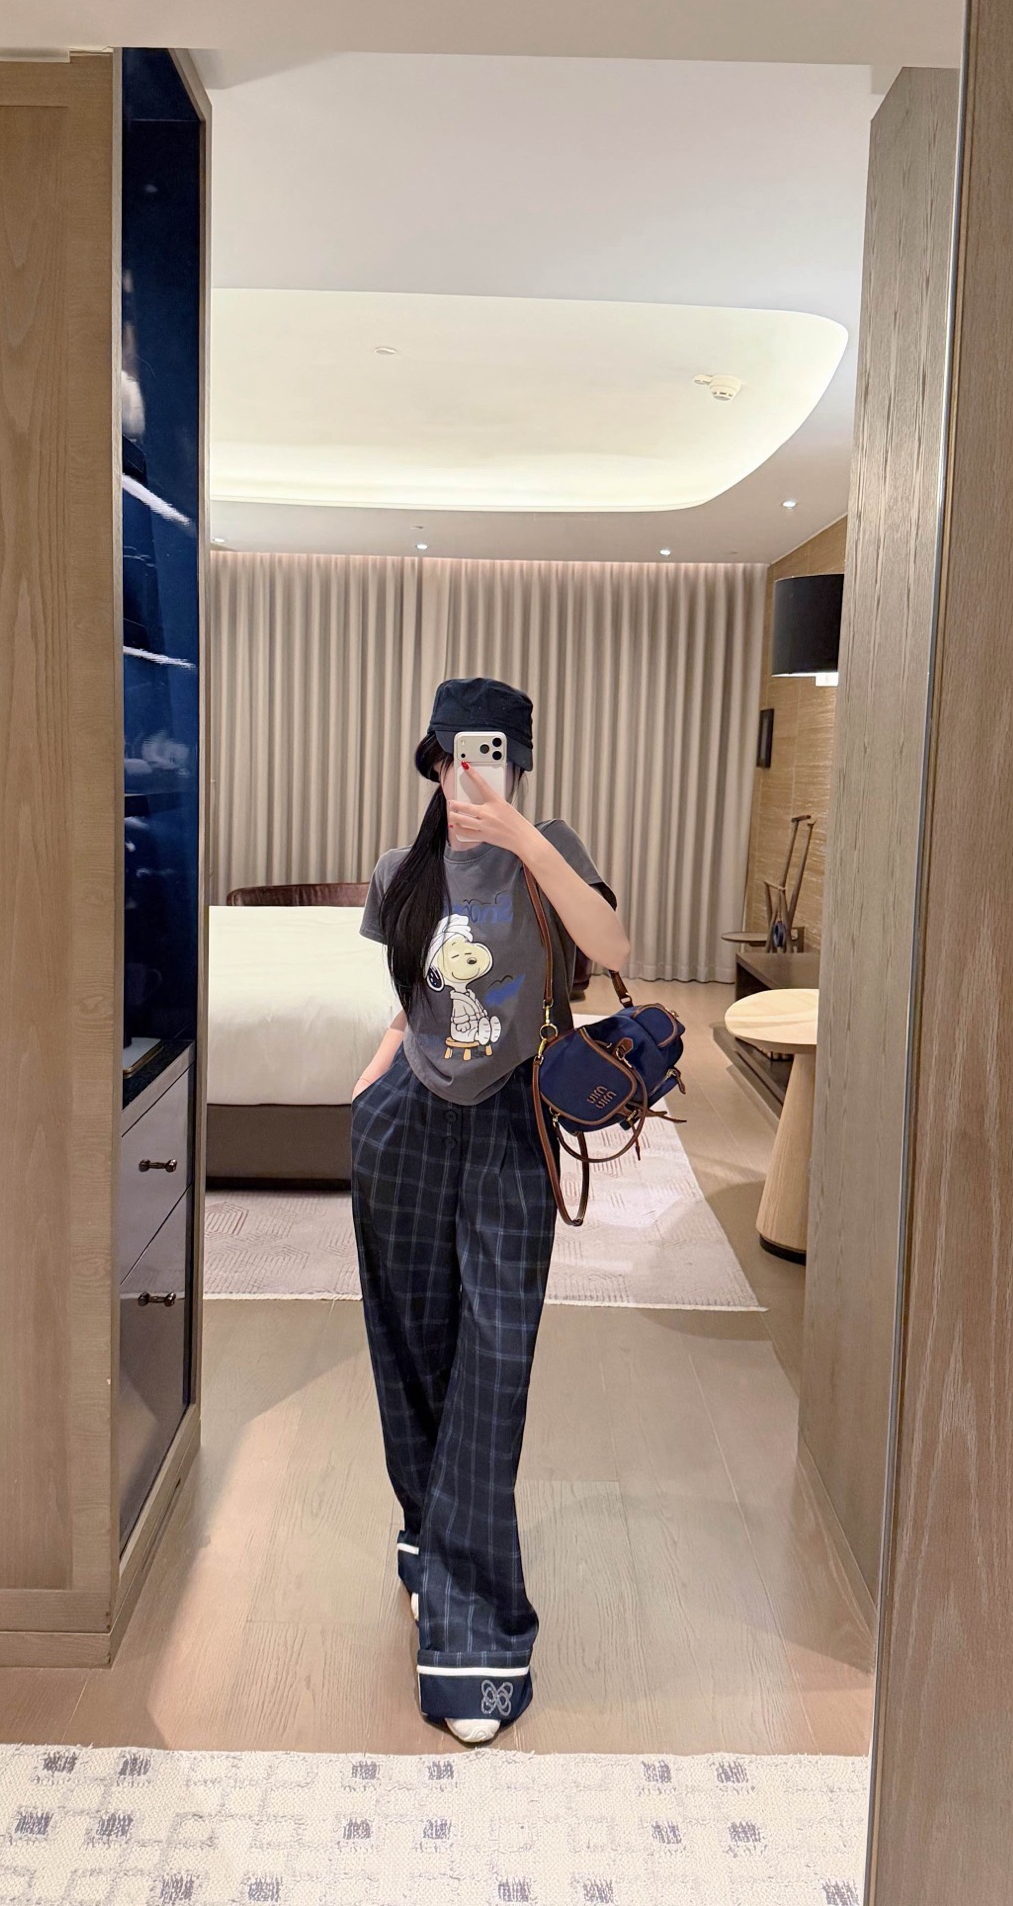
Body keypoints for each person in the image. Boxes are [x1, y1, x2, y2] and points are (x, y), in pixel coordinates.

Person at [351, 677, 630, 1743]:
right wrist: (375, 1070)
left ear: (518, 763)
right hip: (406, 1122)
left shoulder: (550, 852)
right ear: (433, 762)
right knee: (412, 1341)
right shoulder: (402, 871)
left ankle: (473, 1635)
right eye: (455, 756)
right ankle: (428, 1528)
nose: (471, 773)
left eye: (493, 755)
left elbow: (612, 950)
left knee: (496, 1359)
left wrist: (524, 839)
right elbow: (413, 1002)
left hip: (514, 1123)